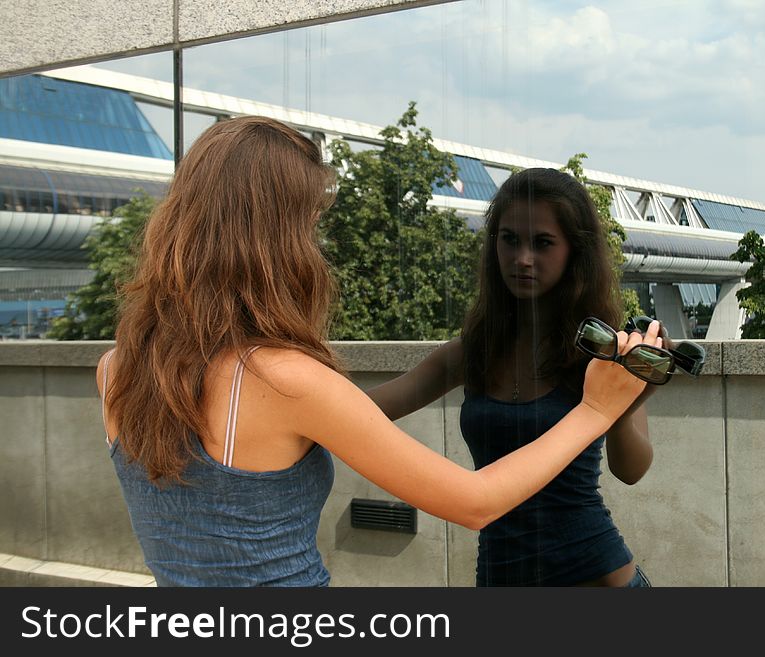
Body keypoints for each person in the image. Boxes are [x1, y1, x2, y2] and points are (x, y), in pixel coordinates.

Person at [96, 117, 660, 587]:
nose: (315, 247)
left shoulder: (116, 371)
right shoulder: (288, 380)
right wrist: (594, 409)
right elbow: (473, 500)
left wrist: (621, 404)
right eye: (308, 225)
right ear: (272, 238)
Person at [368, 168, 660, 587]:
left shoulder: (599, 352)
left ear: (574, 252)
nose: (522, 258)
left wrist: (624, 403)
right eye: (509, 240)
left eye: (542, 243)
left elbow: (630, 470)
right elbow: (362, 412)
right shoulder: (474, 352)